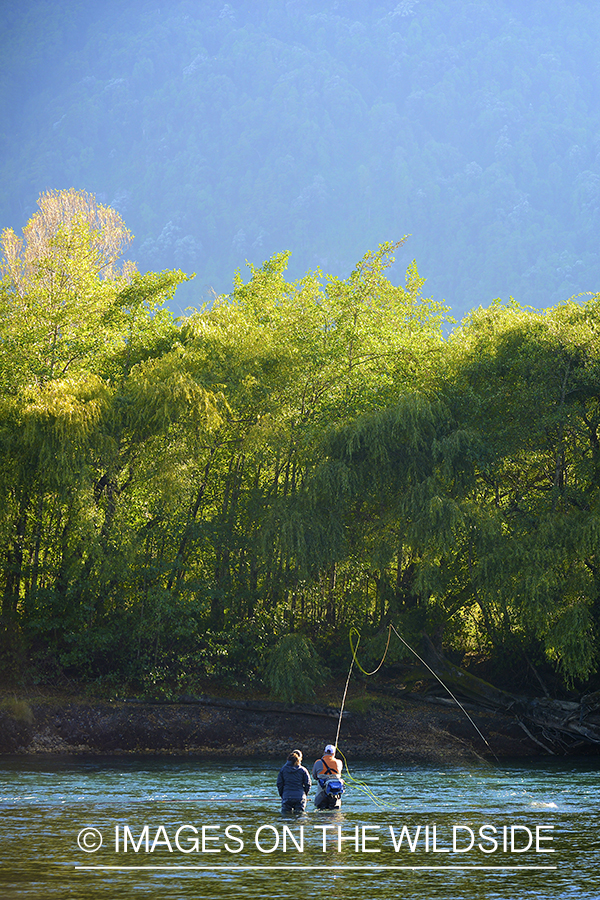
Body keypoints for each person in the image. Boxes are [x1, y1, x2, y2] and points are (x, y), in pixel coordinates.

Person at [312, 743, 344, 809]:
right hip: (335, 795)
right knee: (335, 814)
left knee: (321, 812)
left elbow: (314, 776)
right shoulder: (339, 762)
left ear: (324, 752)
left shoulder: (318, 762)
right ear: (334, 753)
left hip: (322, 794)